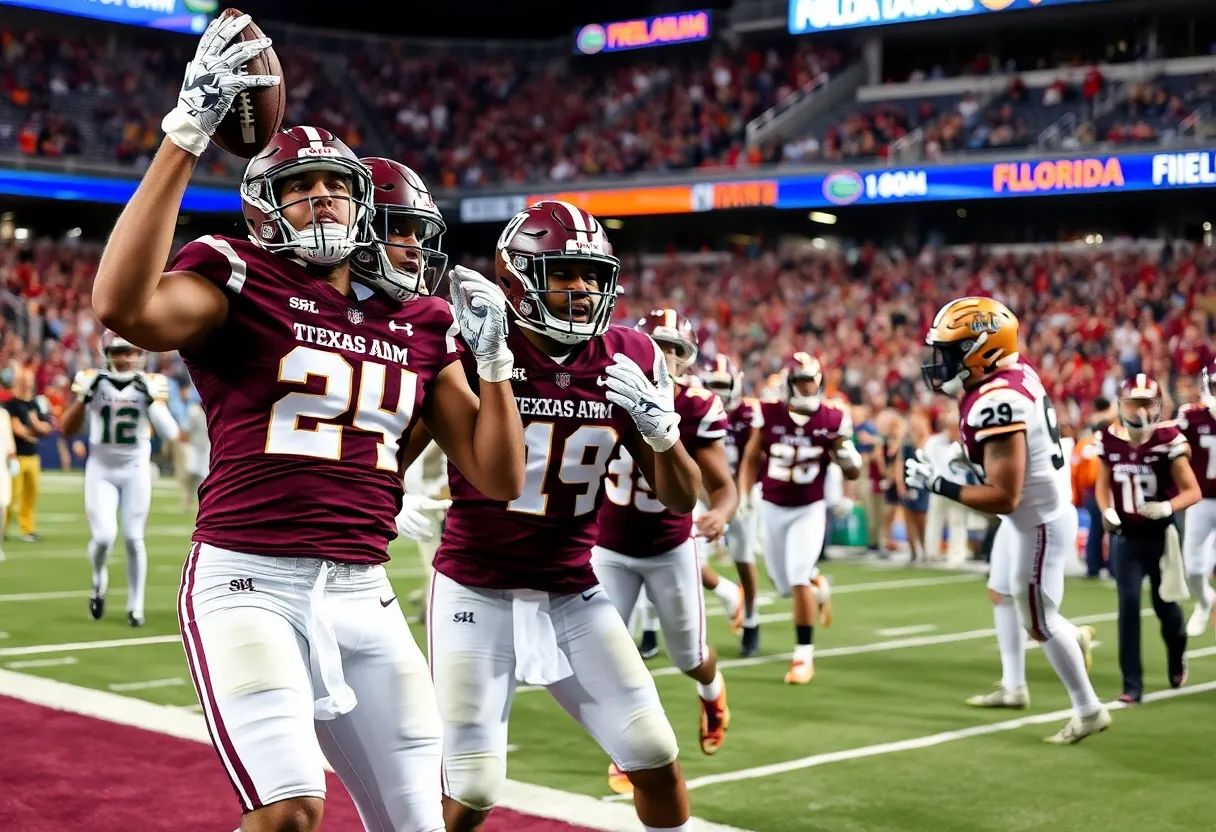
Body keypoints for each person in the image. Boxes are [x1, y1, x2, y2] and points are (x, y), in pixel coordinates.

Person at [90, 14, 524, 832]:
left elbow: (497, 475)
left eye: (333, 185)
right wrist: (185, 135)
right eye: (296, 186)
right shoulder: (236, 273)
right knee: (289, 810)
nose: (318, 195)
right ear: (264, 208)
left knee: (416, 825)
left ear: (364, 206)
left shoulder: (421, 322)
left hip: (366, 593)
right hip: (249, 581)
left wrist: (496, 364)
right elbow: (123, 307)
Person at [425, 200, 702, 832]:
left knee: (655, 752)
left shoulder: (629, 354)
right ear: (517, 274)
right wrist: (403, 490)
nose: (581, 290)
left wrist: (662, 435)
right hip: (475, 582)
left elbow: (683, 498)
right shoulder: (471, 341)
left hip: (571, 586)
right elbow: (407, 433)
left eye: (591, 274)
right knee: (471, 786)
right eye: (562, 273)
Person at [907, 296, 1110, 743]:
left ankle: (1089, 708)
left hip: (1034, 520)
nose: (941, 361)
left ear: (984, 350)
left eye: (953, 349)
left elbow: (1004, 495)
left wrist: (939, 484)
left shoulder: (997, 400)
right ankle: (1017, 683)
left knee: (1039, 621)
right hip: (1033, 512)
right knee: (1001, 592)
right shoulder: (1011, 376)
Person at [592, 308, 736, 792]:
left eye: (676, 348)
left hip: (670, 545)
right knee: (611, 654)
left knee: (689, 656)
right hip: (608, 544)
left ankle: (712, 694)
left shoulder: (696, 407)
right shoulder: (603, 384)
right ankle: (627, 749)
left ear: (688, 358)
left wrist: (721, 511)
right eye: (659, 343)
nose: (666, 355)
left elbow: (723, 485)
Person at [737, 352, 864, 684]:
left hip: (809, 508)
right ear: (788, 385)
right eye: (802, 383)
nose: (809, 390)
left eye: (813, 383)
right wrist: (744, 492)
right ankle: (817, 585)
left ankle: (803, 657)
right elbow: (752, 455)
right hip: (773, 505)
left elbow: (852, 471)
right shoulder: (767, 413)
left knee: (796, 577)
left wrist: (849, 457)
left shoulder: (834, 417)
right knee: (783, 586)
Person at [60, 332, 180, 627]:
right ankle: (99, 580)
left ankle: (135, 605)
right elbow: (67, 428)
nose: (125, 358)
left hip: (135, 467)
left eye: (131, 351)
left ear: (141, 354)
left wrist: (151, 401)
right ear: (107, 354)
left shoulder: (151, 384)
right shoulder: (91, 380)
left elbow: (171, 432)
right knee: (103, 537)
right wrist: (84, 399)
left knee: (133, 538)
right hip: (101, 468)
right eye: (119, 352)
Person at [1097, 374, 1199, 703]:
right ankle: (1132, 685)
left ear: (1158, 406)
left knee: (1165, 606)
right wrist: (1105, 511)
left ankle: (1177, 652)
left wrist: (1167, 506)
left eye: (1146, 403)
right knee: (1127, 606)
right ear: (1121, 404)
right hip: (1126, 537)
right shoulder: (1108, 438)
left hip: (1161, 536)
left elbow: (1193, 491)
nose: (1139, 411)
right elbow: (1102, 484)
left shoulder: (1168, 438)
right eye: (1133, 402)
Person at [702, 353, 763, 654]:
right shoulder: (696, 407)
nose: (717, 391)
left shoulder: (748, 413)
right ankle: (729, 594)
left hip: (738, 492)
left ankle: (752, 618)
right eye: (711, 384)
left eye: (722, 384)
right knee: (688, 557)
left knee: (743, 557)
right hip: (702, 492)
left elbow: (753, 457)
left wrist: (745, 493)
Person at [1175, 360, 1216, 636]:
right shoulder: (1190, 416)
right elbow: (1168, 442)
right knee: (1192, 568)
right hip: (1200, 500)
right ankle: (1204, 601)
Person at [4, 365, 53, 541]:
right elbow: (17, 429)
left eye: (30, 381)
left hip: (32, 456)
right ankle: (3, 527)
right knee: (11, 496)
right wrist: (35, 429)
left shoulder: (35, 404)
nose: (27, 384)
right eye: (24, 380)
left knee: (31, 495)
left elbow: (47, 427)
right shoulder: (10, 404)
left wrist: (34, 426)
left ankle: (28, 529)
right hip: (16, 456)